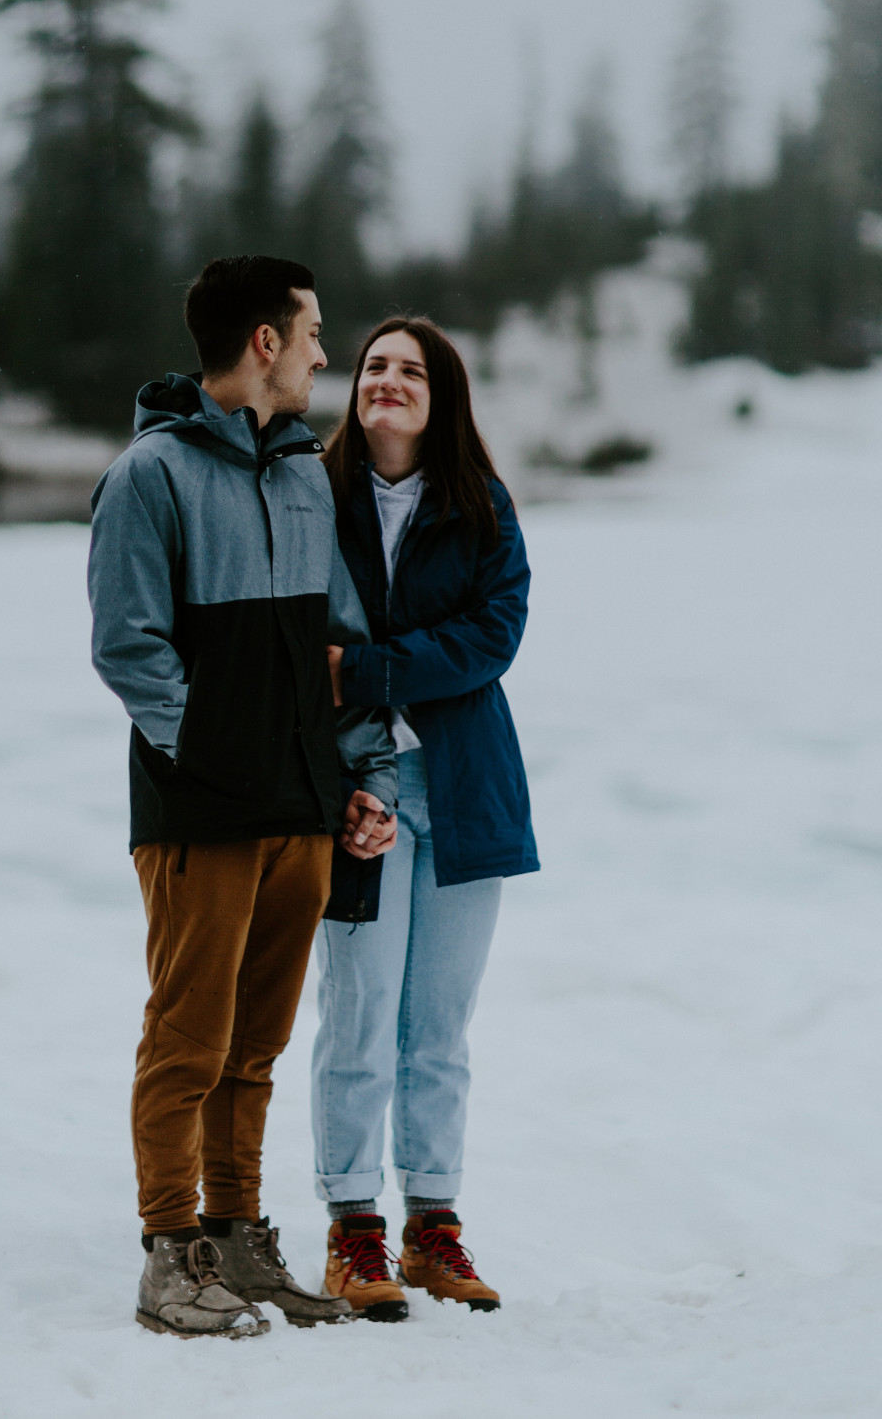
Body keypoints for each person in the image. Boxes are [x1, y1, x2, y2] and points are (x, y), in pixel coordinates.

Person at [88, 256, 399, 1340]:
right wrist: (214, 760)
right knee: (188, 1038)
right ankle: (169, 1254)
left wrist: (364, 774)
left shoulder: (305, 473)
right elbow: (128, 651)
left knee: (255, 1048)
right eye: (311, 332)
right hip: (201, 812)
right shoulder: (150, 477)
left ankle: (233, 1238)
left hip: (300, 810)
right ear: (263, 342)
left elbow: (341, 644)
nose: (325, 352)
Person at [312, 316, 537, 1321]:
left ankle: (432, 1227)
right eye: (372, 366)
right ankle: (354, 1230)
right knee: (358, 1011)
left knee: (437, 1025)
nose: (387, 381)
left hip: (466, 789)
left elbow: (493, 637)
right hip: (359, 792)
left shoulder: (479, 506)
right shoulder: (311, 496)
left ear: (440, 396)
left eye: (409, 370)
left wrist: (364, 669)